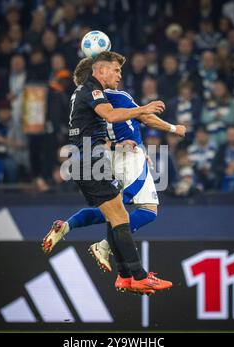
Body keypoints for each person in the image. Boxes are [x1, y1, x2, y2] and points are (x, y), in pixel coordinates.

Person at [42, 51, 173, 295]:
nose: (119, 75)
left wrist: (117, 145)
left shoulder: (83, 95)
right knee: (122, 218)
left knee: (118, 215)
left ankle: (125, 277)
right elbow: (111, 115)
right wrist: (143, 109)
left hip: (88, 160)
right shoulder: (91, 91)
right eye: (115, 70)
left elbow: (93, 133)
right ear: (99, 70)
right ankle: (139, 276)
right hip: (90, 163)